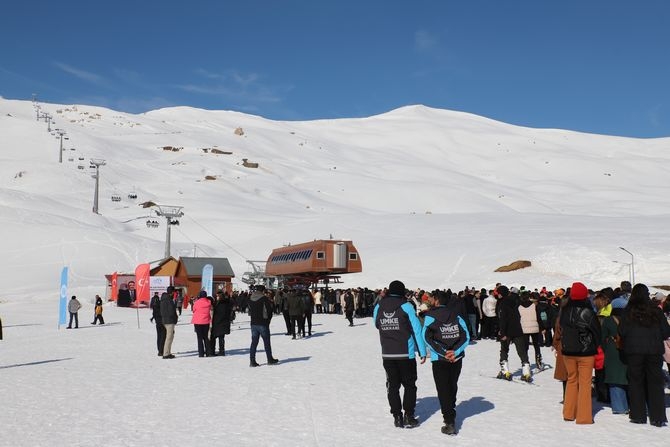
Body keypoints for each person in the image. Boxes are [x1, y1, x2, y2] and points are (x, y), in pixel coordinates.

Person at [373, 280, 427, 429]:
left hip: (388, 353)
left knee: (392, 385)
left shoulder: (379, 306)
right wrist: (422, 351)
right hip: (406, 353)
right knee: (410, 385)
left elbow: (376, 324)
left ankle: (397, 416)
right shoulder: (407, 306)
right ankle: (408, 415)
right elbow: (416, 329)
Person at [619, 283, 670, 426]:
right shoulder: (656, 311)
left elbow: (622, 331)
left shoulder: (628, 311)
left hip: (634, 351)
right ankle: (658, 416)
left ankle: (638, 415)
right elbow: (666, 332)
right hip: (654, 351)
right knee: (655, 383)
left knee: (636, 382)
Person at [422, 291, 470, 435]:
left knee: (443, 389)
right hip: (456, 358)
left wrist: (444, 352)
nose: (429, 300)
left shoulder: (430, 317)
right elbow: (466, 336)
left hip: (440, 359)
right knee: (452, 384)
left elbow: (426, 338)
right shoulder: (457, 315)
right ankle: (451, 410)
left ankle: (449, 420)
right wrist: (455, 351)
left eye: (431, 298)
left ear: (436, 301)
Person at [559, 281, 601, 424]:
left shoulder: (564, 311)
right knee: (585, 383)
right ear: (584, 296)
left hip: (568, 351)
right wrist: (594, 345)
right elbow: (596, 332)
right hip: (586, 352)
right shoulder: (588, 312)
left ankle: (568, 413)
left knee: (571, 380)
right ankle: (584, 417)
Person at [496, 286, 531, 381]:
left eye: (498, 293)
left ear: (500, 294)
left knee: (504, 350)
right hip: (518, 329)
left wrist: (502, 333)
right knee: (522, 351)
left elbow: (502, 319)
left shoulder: (502, 304)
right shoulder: (515, 301)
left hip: (507, 331)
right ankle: (526, 372)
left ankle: (505, 371)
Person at [248, 285, 279, 367]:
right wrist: (268, 320)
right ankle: (269, 359)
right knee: (266, 342)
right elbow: (269, 310)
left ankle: (252, 361)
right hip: (263, 322)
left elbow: (249, 310)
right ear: (263, 290)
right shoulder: (264, 298)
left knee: (254, 342)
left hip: (253, 323)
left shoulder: (251, 298)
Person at [211, 291, 234, 356]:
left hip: (218, 322)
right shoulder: (227, 303)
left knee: (214, 337)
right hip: (224, 322)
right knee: (221, 337)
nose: (217, 297)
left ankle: (213, 350)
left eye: (217, 296)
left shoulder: (218, 304)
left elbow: (216, 312)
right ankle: (221, 350)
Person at [192, 290, 212, 357]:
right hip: (206, 321)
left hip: (197, 322)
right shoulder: (209, 302)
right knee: (206, 337)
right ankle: (208, 352)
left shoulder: (196, 302)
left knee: (199, 338)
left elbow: (194, 310)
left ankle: (201, 353)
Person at [160, 286, 178, 359]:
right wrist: (175, 318)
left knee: (169, 336)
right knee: (169, 337)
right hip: (169, 320)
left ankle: (167, 352)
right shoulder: (169, 300)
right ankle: (166, 353)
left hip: (164, 320)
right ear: (172, 292)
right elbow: (171, 311)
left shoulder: (163, 299)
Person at [150, 291, 166, 357]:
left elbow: (153, 310)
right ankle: (161, 350)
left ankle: (159, 350)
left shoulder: (154, 302)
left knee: (159, 336)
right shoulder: (161, 303)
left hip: (157, 321)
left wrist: (153, 317)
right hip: (162, 321)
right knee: (162, 336)